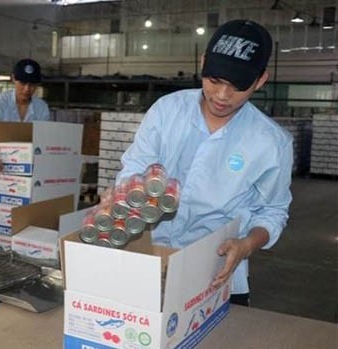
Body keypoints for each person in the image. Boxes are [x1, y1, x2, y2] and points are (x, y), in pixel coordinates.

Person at [115, 20, 293, 306]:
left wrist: (247, 244)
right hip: (149, 261)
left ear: (260, 80)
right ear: (202, 63)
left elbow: (273, 211)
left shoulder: (271, 143)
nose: (222, 96)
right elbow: (133, 168)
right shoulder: (167, 111)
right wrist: (125, 192)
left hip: (215, 276)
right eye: (214, 81)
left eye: (237, 86)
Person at [0, 58, 51, 217]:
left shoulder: (41, 108)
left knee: (12, 223)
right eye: (22, 83)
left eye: (32, 84)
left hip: (22, 179)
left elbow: (44, 138)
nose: (27, 89)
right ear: (13, 78)